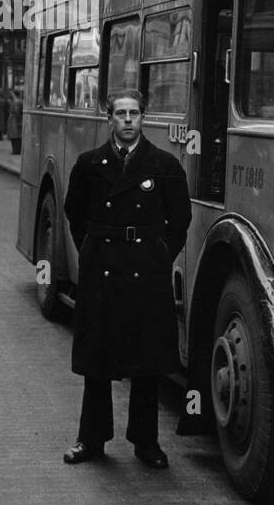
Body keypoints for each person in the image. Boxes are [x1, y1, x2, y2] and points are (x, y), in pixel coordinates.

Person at [62, 88, 192, 470]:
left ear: (144, 118)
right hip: (102, 266)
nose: (128, 120)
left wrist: (158, 255)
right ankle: (92, 439)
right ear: (109, 119)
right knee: (96, 359)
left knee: (147, 361)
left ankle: (146, 443)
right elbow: (75, 214)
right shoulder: (89, 164)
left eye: (134, 113)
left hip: (146, 272)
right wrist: (91, 250)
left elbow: (180, 220)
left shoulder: (165, 165)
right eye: (120, 114)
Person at [6, 86, 23, 155]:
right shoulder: (19, 100)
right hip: (16, 120)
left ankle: (15, 150)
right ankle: (17, 150)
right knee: (17, 137)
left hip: (14, 120)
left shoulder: (16, 101)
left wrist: (19, 121)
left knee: (15, 137)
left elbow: (17, 112)